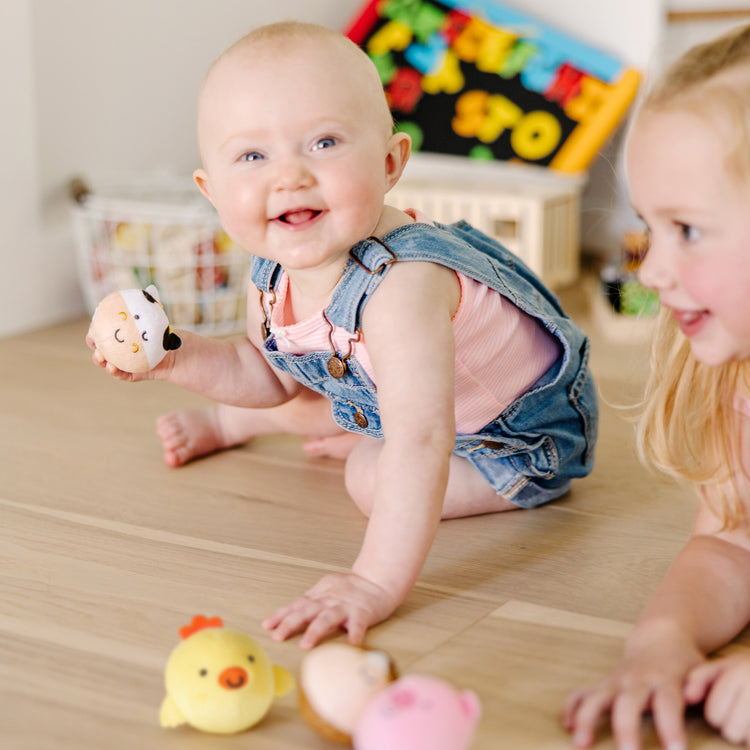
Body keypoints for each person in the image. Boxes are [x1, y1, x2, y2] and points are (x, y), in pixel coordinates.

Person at [88, 21, 597, 649]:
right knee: (315, 389)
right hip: (407, 398)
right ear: (212, 191)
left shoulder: (403, 289)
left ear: (389, 164)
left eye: (324, 142)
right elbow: (266, 373)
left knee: (366, 473)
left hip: (512, 439)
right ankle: (242, 424)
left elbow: (420, 440)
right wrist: (172, 356)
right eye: (253, 155)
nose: (290, 176)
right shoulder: (275, 266)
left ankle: (322, 424)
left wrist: (373, 583)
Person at [562, 23, 750, 750]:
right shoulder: (734, 374)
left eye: (688, 230)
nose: (651, 272)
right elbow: (733, 545)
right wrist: (663, 639)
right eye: (649, 228)